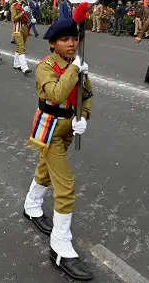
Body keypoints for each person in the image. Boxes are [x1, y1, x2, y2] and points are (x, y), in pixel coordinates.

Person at [22, 16, 93, 281]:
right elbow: (57, 94)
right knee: (65, 187)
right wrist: (76, 69)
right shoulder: (46, 66)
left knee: (45, 170)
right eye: (64, 40)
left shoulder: (79, 65)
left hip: (68, 127)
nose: (72, 44)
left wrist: (84, 116)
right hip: (49, 128)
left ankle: (31, 205)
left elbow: (86, 95)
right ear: (52, 43)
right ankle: (60, 246)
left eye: (74, 39)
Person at [10, 0, 31, 74]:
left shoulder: (25, 5)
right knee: (21, 47)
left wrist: (30, 17)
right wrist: (23, 12)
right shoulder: (14, 6)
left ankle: (16, 64)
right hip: (18, 28)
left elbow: (27, 16)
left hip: (25, 27)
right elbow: (14, 18)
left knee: (20, 46)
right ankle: (24, 67)